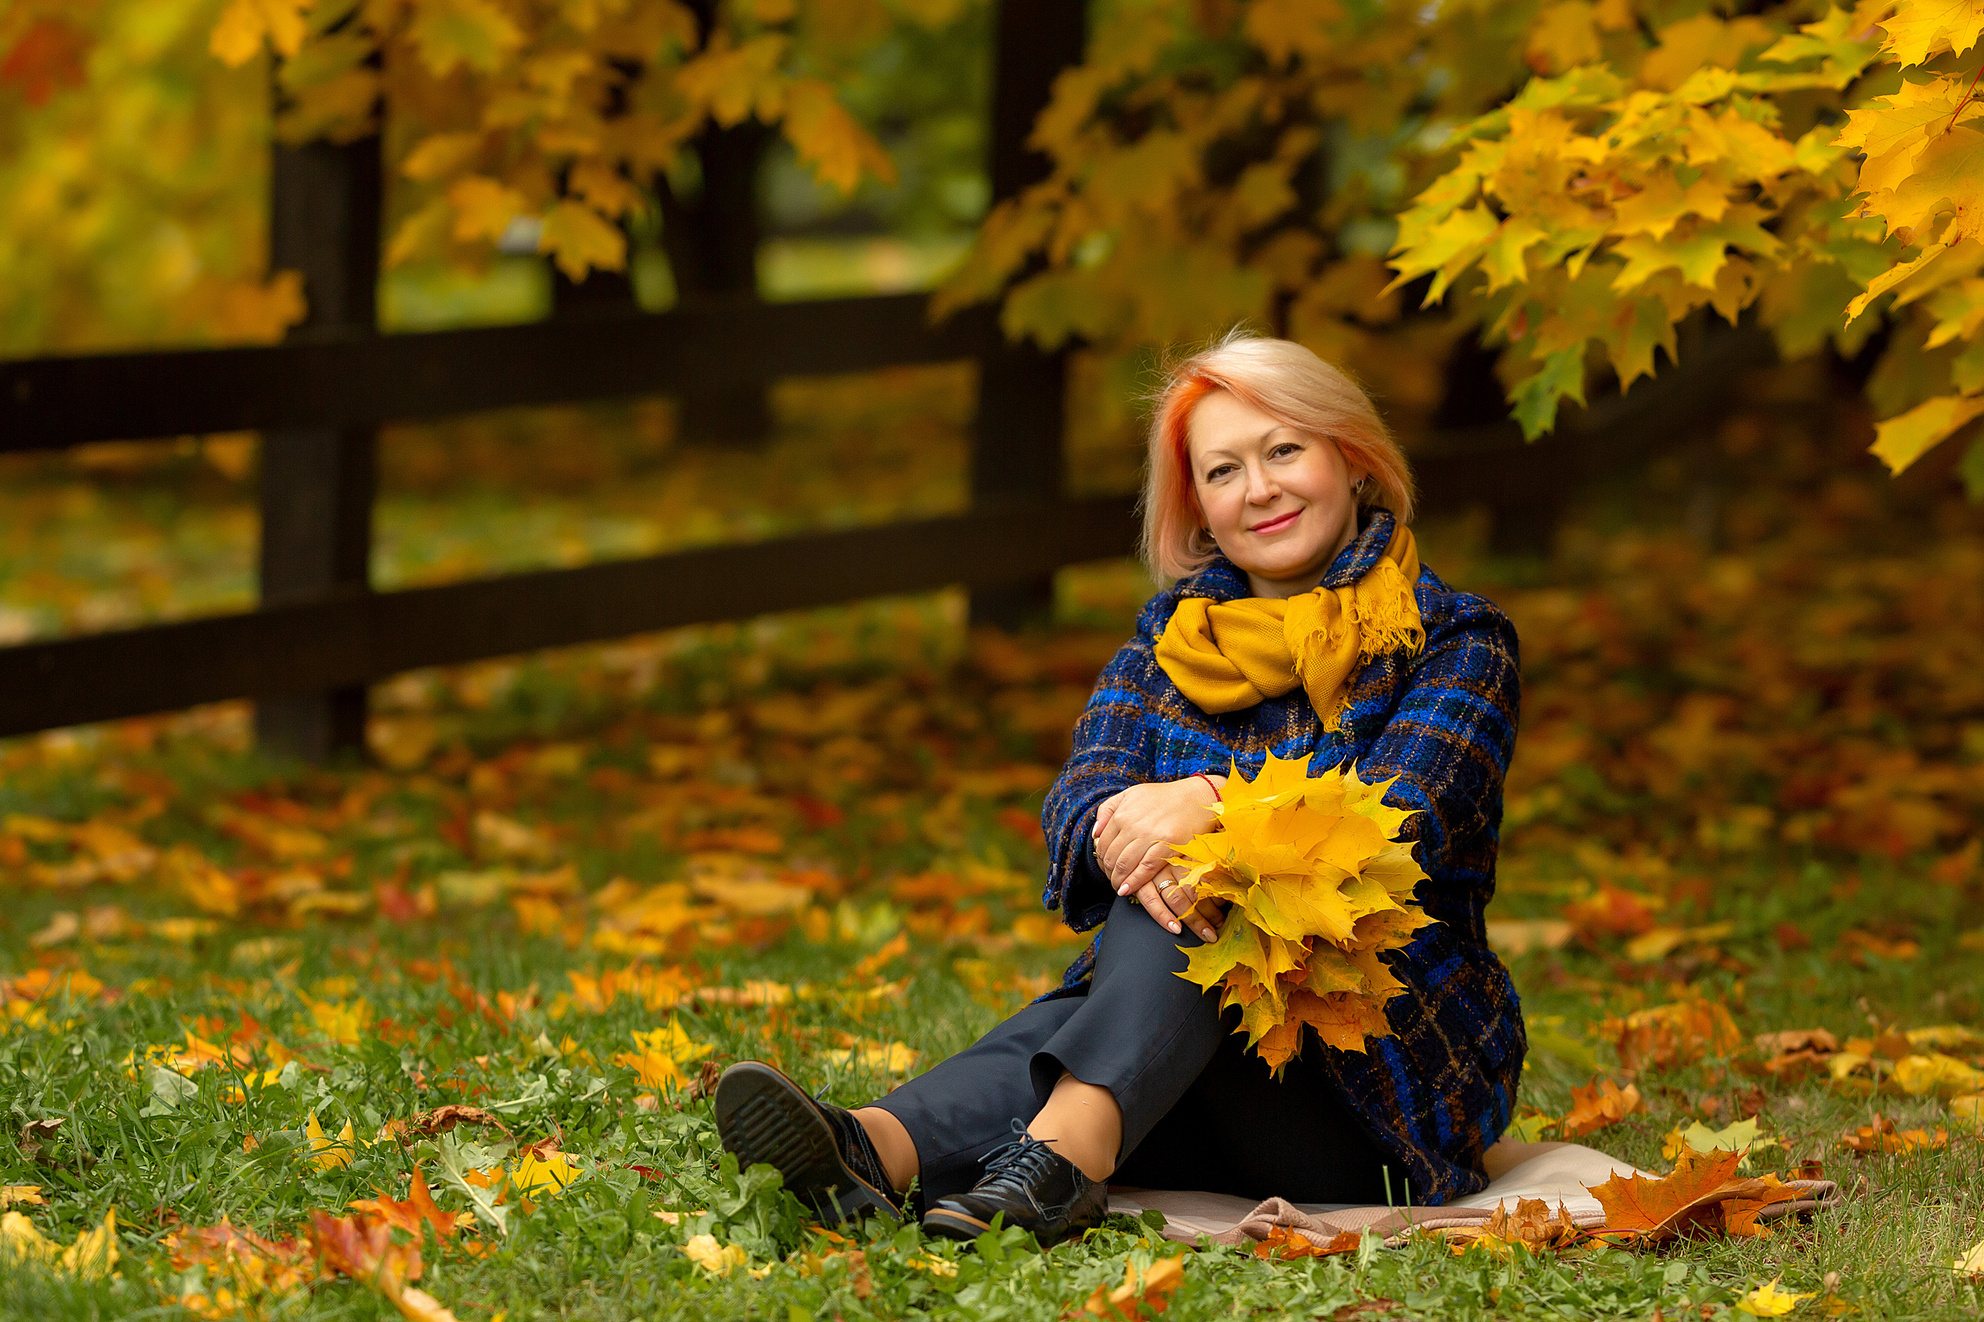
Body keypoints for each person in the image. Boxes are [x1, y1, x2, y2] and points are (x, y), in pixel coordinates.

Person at [713, 332, 1526, 1246]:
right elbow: (1077, 804)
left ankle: (1002, 1150)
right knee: (1172, 897)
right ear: (1199, 508)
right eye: (1223, 471)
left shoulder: (1457, 641)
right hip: (1183, 1075)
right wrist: (1137, 833)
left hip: (1375, 1094)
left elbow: (1401, 813)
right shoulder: (1165, 646)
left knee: (1209, 886)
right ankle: (876, 1152)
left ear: (1352, 458)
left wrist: (1212, 806)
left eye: (1284, 451)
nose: (1258, 489)